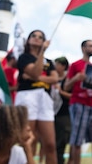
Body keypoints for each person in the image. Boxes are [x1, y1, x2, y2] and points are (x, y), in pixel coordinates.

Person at [15, 30, 59, 164]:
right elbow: (35, 71)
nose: (37, 39)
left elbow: (55, 78)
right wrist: (41, 55)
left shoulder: (49, 61)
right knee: (29, 141)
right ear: (28, 40)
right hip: (27, 96)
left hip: (45, 98)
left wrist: (36, 77)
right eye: (33, 36)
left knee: (50, 144)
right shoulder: (24, 57)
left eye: (40, 37)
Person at [65, 40, 92, 164]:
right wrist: (76, 78)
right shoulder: (75, 65)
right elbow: (66, 87)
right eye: (90, 46)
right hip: (78, 103)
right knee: (77, 140)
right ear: (83, 48)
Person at [54, 56, 71, 164]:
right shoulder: (52, 78)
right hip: (51, 114)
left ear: (63, 66)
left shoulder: (67, 80)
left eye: (57, 64)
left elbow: (72, 96)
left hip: (64, 114)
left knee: (61, 142)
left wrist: (60, 91)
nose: (55, 67)